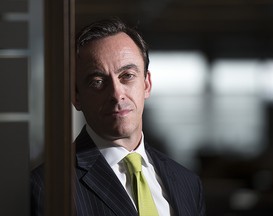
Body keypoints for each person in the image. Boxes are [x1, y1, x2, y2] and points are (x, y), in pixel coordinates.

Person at [31, 17, 206, 216]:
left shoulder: (187, 183)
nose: (116, 93)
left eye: (127, 76)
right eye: (97, 81)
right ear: (76, 96)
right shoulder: (48, 188)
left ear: (146, 84)